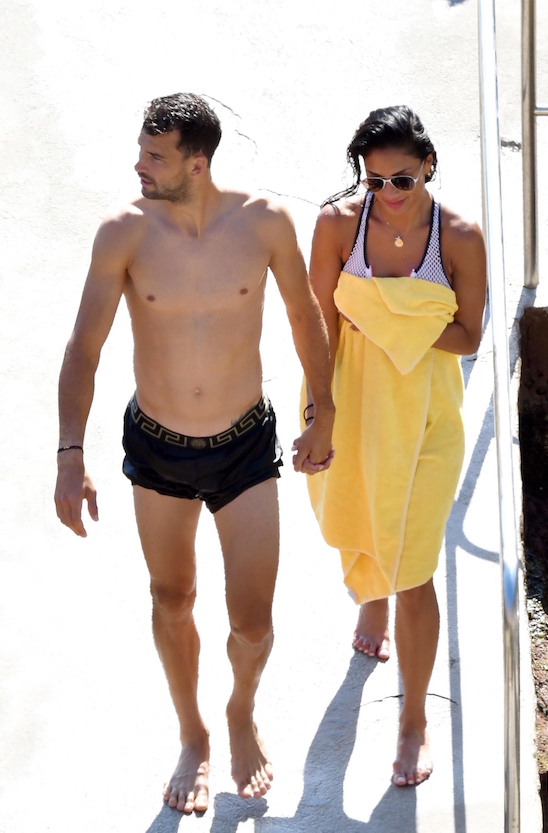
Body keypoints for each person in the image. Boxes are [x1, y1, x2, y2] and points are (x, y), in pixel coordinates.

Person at [54, 92, 335, 814]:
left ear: (197, 163)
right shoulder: (123, 232)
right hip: (159, 448)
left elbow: (304, 315)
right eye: (140, 152)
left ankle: (241, 710)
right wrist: (70, 452)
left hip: (246, 445)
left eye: (155, 156)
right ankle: (193, 732)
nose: (138, 166)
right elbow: (84, 347)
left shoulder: (265, 222)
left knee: (254, 624)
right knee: (171, 597)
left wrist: (322, 410)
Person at [304, 105, 486, 786]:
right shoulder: (336, 225)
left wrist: (386, 318)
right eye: (374, 180)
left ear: (429, 165)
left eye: (402, 180)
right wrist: (318, 415)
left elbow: (468, 335)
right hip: (349, 405)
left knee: (415, 568)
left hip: (427, 422)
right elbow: (319, 327)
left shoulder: (459, 237)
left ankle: (413, 720)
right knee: (355, 514)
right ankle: (369, 598)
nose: (386, 193)